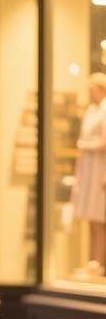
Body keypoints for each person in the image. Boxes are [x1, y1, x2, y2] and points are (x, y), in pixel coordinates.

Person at [71, 72, 106, 276]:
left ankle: (98, 260)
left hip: (99, 168)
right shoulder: (92, 110)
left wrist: (86, 146)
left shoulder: (104, 111)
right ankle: (93, 260)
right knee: (90, 216)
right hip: (88, 168)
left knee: (98, 216)